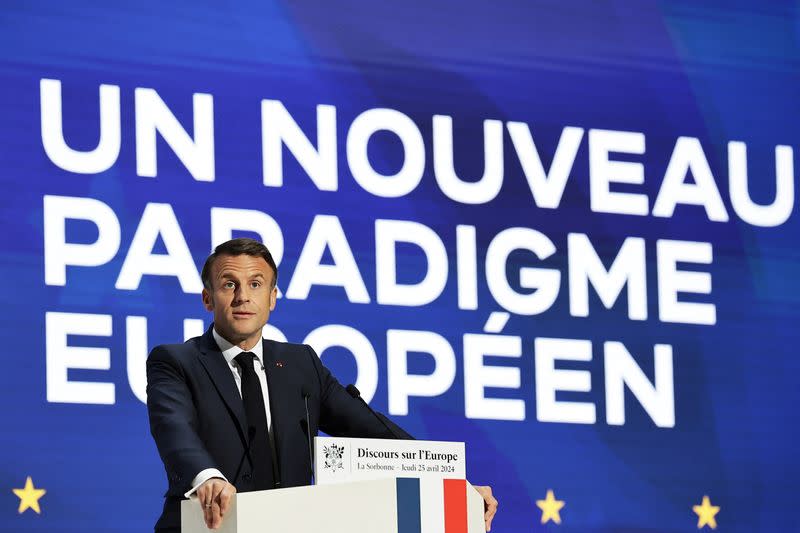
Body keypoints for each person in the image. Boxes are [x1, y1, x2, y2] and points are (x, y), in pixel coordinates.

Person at [146, 238, 498, 532]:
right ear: (208, 298)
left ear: (272, 298)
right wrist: (207, 477)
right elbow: (175, 431)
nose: (242, 296)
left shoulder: (301, 365)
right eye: (228, 284)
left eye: (256, 284)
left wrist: (454, 484)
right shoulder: (177, 361)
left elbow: (374, 433)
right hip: (204, 525)